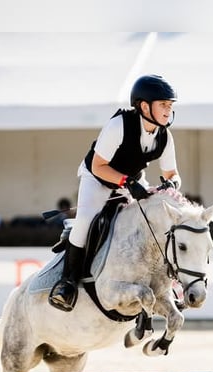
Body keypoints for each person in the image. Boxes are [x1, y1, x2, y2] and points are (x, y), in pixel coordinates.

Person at [48, 74, 183, 312]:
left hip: (132, 179)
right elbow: (98, 166)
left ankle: (161, 282)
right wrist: (126, 182)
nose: (167, 110)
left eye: (170, 105)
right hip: (98, 178)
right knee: (85, 221)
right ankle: (66, 283)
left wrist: (172, 185)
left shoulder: (164, 136)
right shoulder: (119, 125)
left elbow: (172, 173)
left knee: (150, 222)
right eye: (163, 104)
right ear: (144, 106)